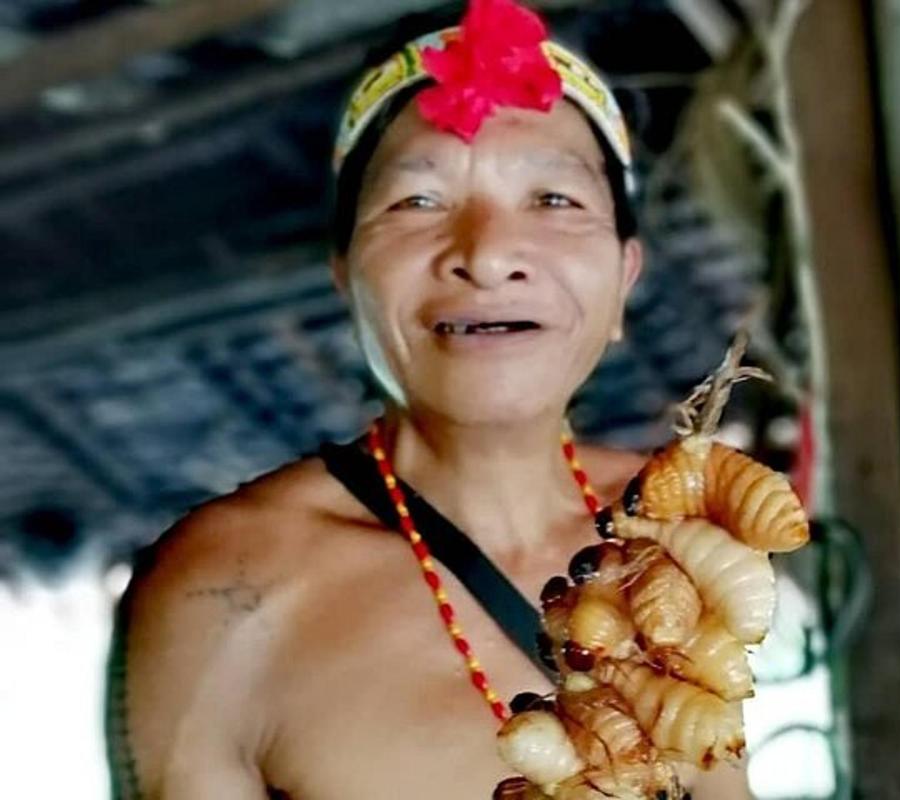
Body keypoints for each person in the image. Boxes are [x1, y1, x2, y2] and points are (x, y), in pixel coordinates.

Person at [106, 1, 755, 797]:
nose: (487, 256)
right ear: (346, 275)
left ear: (624, 277)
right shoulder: (228, 590)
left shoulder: (686, 536)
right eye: (417, 202)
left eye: (553, 200)